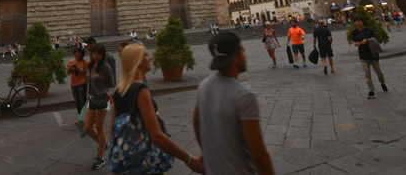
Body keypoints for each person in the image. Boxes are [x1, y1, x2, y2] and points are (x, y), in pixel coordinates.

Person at [110, 42, 203, 173]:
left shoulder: (119, 91)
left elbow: (113, 130)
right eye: (146, 55)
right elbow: (157, 136)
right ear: (138, 61)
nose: (150, 58)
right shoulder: (141, 90)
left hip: (128, 166)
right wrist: (189, 159)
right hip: (147, 164)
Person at [193, 32, 275, 175]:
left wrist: (207, 153)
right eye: (242, 51)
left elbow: (195, 123)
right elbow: (259, 156)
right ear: (235, 57)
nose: (245, 55)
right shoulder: (244, 96)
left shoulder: (203, 86)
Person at [84, 44, 115, 170]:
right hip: (91, 98)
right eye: (93, 53)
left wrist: (100, 82)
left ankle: (101, 157)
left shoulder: (106, 67)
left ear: (102, 55)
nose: (95, 56)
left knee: (100, 127)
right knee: (87, 127)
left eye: (98, 54)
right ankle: (103, 144)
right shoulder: (90, 66)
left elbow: (111, 83)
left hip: (102, 99)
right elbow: (87, 79)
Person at [351, 16, 388, 99]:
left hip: (372, 54)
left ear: (363, 22)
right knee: (367, 73)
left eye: (360, 21)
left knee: (378, 71)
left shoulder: (369, 30)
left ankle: (382, 83)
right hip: (363, 55)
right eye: (356, 21)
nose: (358, 22)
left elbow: (374, 39)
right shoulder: (355, 32)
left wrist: (367, 40)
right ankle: (371, 91)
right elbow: (354, 41)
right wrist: (356, 43)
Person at [68, 47, 89, 123]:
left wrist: (79, 69)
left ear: (81, 55)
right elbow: (68, 73)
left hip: (82, 83)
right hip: (73, 84)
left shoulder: (84, 62)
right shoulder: (71, 62)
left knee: (83, 100)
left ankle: (86, 116)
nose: (76, 57)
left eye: (78, 55)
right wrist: (70, 68)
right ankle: (80, 116)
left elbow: (87, 72)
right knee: (77, 101)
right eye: (75, 55)